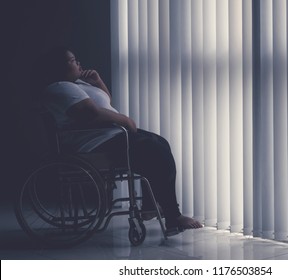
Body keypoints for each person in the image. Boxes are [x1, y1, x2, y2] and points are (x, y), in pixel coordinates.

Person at [39, 46, 202, 235]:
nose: (78, 63)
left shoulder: (78, 85)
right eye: (73, 60)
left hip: (111, 135)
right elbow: (89, 112)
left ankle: (153, 207)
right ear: (59, 66)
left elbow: (105, 101)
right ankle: (172, 215)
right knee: (155, 151)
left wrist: (97, 82)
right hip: (96, 143)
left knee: (160, 144)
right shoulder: (60, 87)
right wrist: (125, 120)